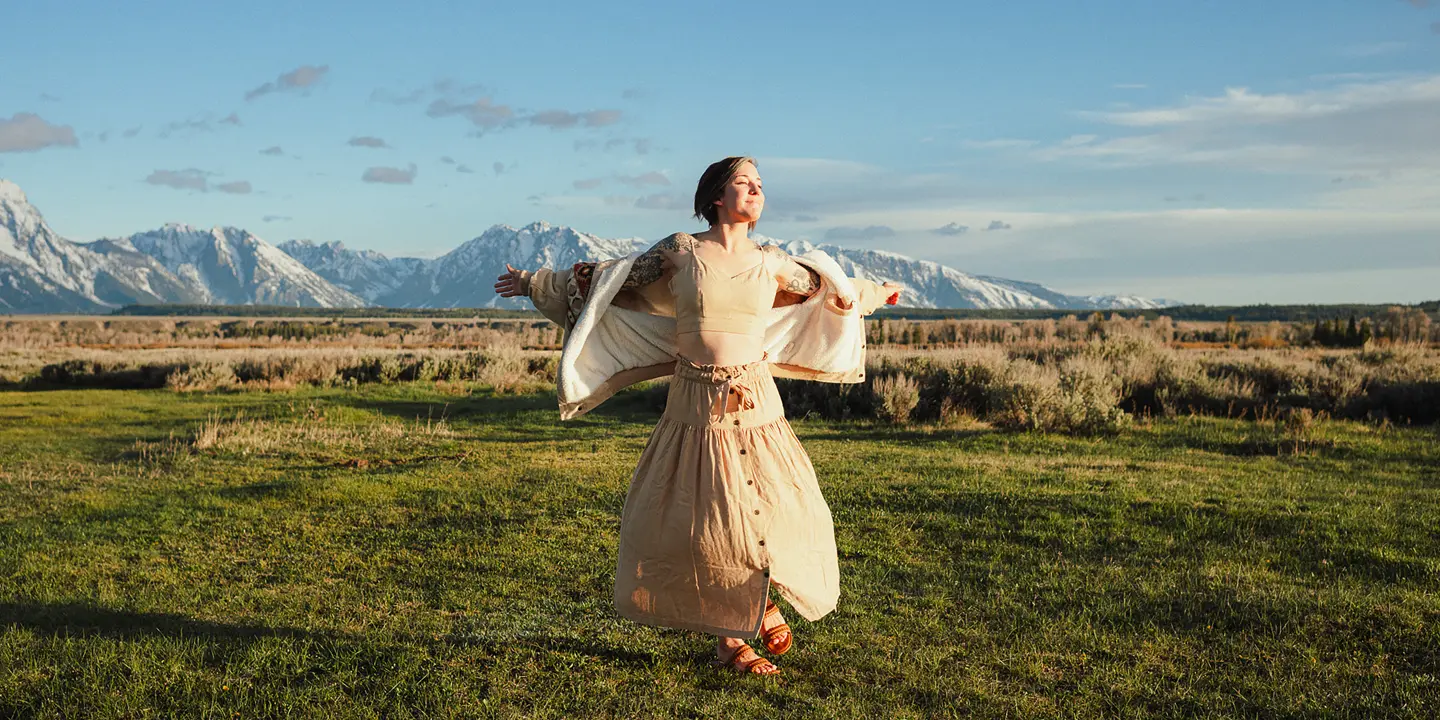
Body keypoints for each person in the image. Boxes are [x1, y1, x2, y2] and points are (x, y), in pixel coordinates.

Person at [494, 156, 901, 675]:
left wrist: (872, 294)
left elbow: (828, 288)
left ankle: (765, 595)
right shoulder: (681, 251)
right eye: (743, 182)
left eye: (759, 184)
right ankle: (731, 641)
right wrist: (536, 283)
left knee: (783, 505)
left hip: (755, 397)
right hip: (695, 401)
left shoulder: (771, 260)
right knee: (705, 516)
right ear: (715, 196)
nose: (755, 190)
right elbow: (609, 280)